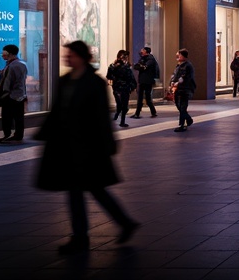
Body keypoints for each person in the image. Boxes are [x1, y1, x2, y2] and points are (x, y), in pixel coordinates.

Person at [36, 40, 139, 254]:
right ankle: (120, 224)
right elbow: (57, 111)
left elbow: (101, 117)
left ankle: (83, 237)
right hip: (69, 146)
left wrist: (108, 143)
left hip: (89, 146)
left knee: (83, 190)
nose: (67, 58)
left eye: (71, 54)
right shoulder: (65, 81)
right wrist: (45, 133)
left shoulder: (94, 83)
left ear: (82, 57)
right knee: (89, 189)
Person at [0, 43, 28, 143]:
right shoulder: (17, 64)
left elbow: (11, 82)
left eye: (4, 53)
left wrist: (5, 94)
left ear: (10, 53)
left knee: (8, 116)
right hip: (17, 95)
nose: (2, 55)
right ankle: (16, 135)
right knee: (17, 117)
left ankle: (10, 135)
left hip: (12, 96)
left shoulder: (15, 65)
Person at [106, 50, 136, 128]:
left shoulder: (115, 66)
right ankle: (120, 120)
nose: (126, 58)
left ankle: (119, 119)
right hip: (121, 88)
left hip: (120, 88)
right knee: (123, 105)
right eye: (125, 57)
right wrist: (133, 86)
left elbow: (109, 76)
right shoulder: (122, 67)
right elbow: (130, 77)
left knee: (122, 105)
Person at [169, 49, 196, 132]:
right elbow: (175, 75)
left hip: (185, 89)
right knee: (179, 105)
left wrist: (179, 82)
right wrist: (172, 82)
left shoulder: (188, 66)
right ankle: (188, 119)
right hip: (178, 89)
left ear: (184, 56)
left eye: (179, 55)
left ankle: (182, 125)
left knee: (183, 107)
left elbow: (187, 77)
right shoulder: (178, 65)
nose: (178, 56)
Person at [133, 46, 159, 118]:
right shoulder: (142, 58)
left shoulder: (150, 59)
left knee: (147, 97)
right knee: (140, 98)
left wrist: (141, 66)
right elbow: (136, 66)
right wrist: (140, 66)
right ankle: (137, 113)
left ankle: (153, 112)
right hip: (142, 81)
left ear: (146, 51)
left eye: (143, 50)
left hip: (148, 81)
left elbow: (144, 67)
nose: (141, 51)